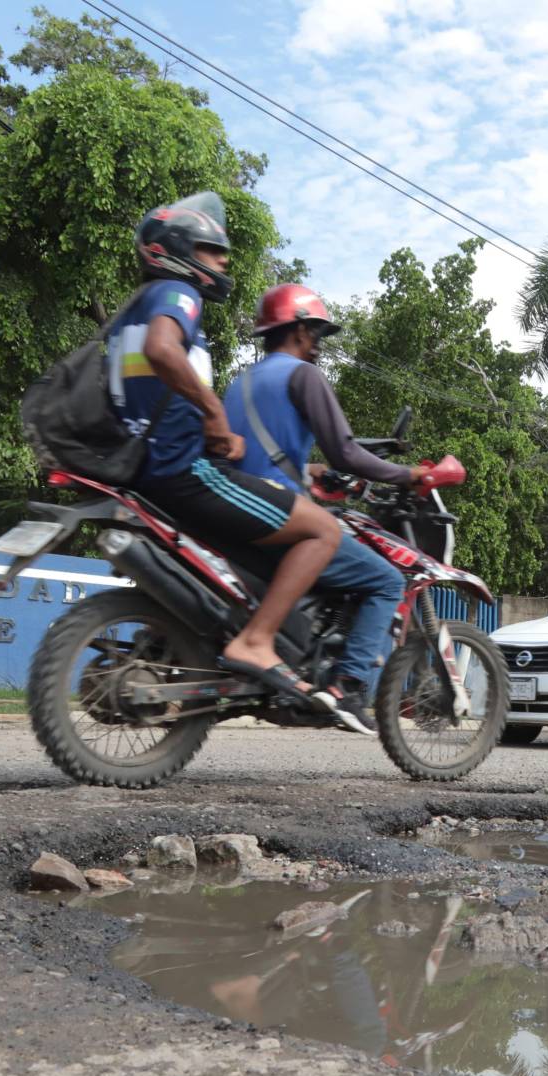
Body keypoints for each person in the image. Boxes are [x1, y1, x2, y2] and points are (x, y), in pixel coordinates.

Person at [106, 194, 369, 735]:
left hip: (142, 471)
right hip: (182, 472)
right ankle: (257, 642)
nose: (222, 262)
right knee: (320, 529)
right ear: (179, 249)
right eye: (212, 250)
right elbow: (163, 351)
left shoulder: (123, 316)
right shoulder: (178, 295)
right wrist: (213, 419)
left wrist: (211, 424)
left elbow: (145, 386)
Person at [222, 283, 446, 733]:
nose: (319, 345)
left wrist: (310, 472)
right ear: (300, 331)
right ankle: (347, 688)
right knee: (384, 579)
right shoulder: (304, 377)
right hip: (280, 515)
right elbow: (347, 452)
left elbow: (254, 456)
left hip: (235, 506)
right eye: (316, 333)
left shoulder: (239, 384)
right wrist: (411, 474)